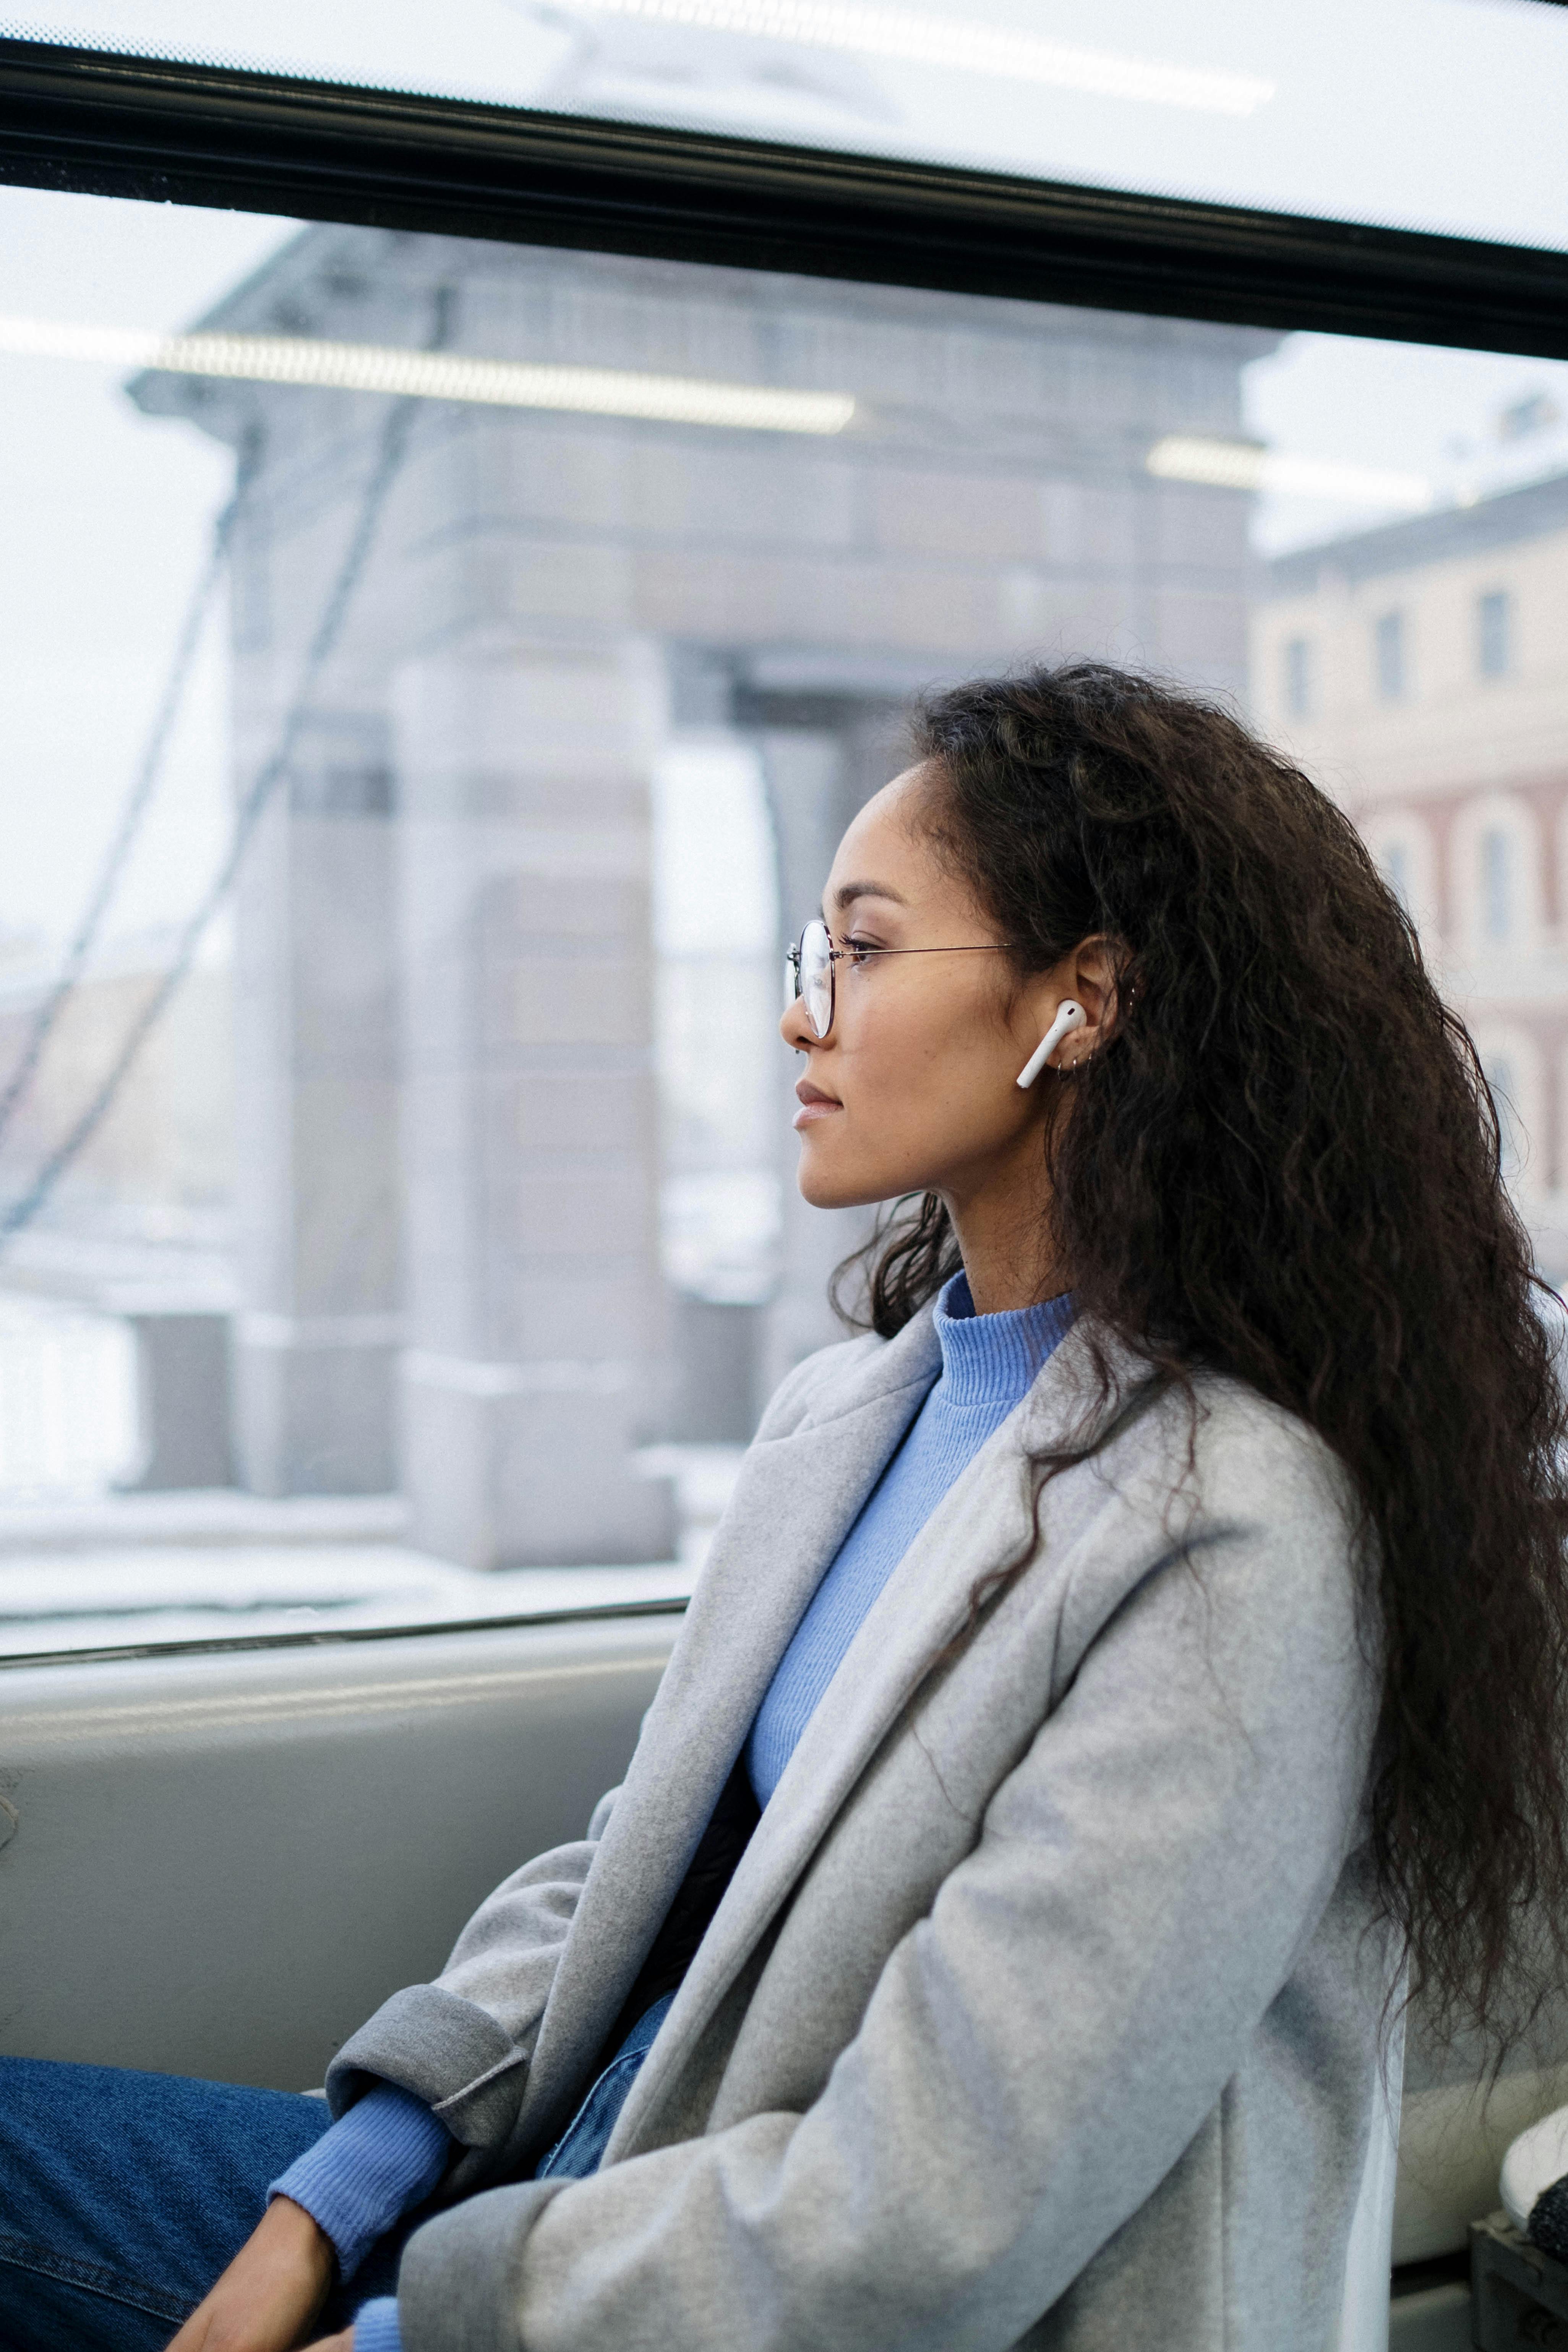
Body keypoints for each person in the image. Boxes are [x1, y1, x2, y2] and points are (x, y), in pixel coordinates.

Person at [5, 661, 1568, 2352]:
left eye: (868, 948)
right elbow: (636, 1867)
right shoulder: (862, 1407)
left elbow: (927, 2216)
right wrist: (340, 2197)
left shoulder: (1234, 1528)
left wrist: (400, 2334)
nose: (799, 1013)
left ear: (1082, 1002)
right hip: (597, 2190)